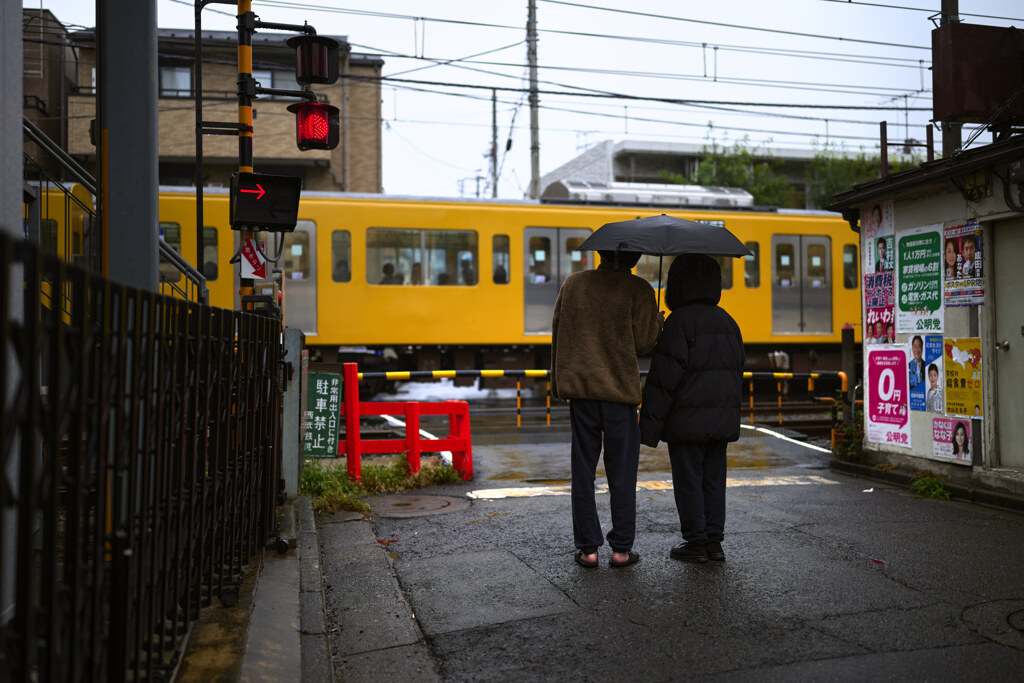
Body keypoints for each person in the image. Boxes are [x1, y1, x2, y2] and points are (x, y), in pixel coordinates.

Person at [551, 249, 661, 569]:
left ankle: (587, 550)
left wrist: (559, 383)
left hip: (582, 392)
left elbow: (558, 331)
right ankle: (621, 550)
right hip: (619, 396)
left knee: (583, 472)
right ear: (634, 258)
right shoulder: (639, 289)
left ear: (600, 252)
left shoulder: (574, 284)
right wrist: (656, 323)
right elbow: (644, 344)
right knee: (622, 474)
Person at [639, 254, 744, 564]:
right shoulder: (728, 321)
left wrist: (648, 427)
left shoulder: (679, 322)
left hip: (686, 422)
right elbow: (737, 368)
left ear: (678, 285)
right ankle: (714, 543)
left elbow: (663, 380)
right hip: (721, 420)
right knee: (714, 479)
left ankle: (695, 542)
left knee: (688, 480)